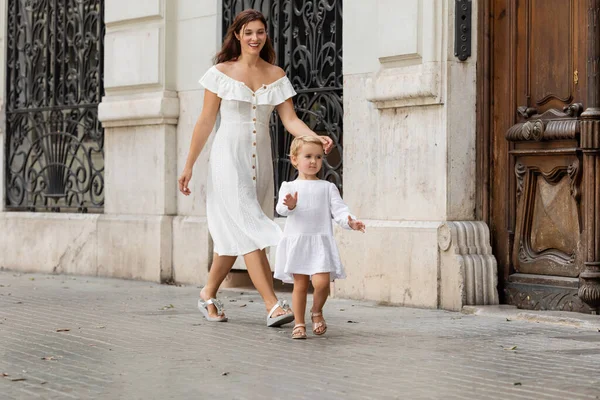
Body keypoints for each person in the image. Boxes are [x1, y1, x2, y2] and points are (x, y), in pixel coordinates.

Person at [177, 9, 333, 327]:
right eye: (248, 32)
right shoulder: (220, 73)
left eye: (260, 32)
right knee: (250, 228)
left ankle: (207, 293)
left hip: (260, 162)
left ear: (266, 35)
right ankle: (273, 305)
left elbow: (290, 120)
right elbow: (206, 121)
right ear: (237, 34)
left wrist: (314, 137)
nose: (254, 38)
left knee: (239, 232)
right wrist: (189, 164)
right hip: (227, 158)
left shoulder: (275, 75)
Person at [274, 136, 365, 339]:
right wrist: (290, 205)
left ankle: (316, 311)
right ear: (295, 159)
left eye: (318, 157)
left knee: (322, 283)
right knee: (300, 285)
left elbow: (340, 211)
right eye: (308, 156)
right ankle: (299, 323)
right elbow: (280, 209)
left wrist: (351, 222)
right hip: (298, 242)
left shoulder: (327, 187)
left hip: (319, 243)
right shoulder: (288, 186)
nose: (313, 161)